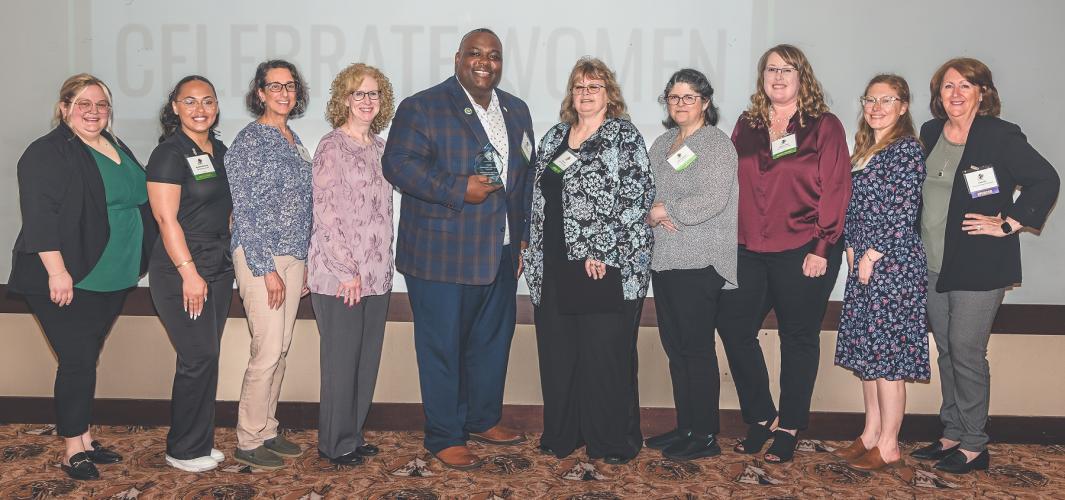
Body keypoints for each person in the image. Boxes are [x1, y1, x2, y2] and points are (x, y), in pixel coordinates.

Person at [381, 28, 535, 470]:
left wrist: (521, 235)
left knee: (491, 342)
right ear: (457, 58)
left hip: (501, 253)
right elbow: (398, 165)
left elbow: (523, 176)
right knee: (442, 347)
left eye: (494, 56)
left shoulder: (517, 110)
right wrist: (456, 188)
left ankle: (484, 418)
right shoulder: (423, 106)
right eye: (475, 53)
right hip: (441, 254)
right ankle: (445, 435)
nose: (484, 62)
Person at [910, 58, 1059, 474]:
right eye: (947, 87)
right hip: (933, 264)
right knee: (945, 350)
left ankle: (975, 444)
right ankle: (953, 431)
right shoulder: (930, 132)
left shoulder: (1000, 136)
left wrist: (1009, 222)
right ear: (938, 96)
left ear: (983, 92)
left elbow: (1046, 179)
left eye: (965, 86)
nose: (955, 93)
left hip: (979, 265)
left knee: (967, 352)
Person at [8, 74, 157, 480]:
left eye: (101, 105)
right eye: (83, 104)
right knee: (76, 361)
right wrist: (58, 272)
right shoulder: (46, 153)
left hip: (113, 274)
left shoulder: (113, 144)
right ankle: (72, 448)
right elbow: (40, 218)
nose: (93, 112)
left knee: (86, 358)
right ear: (64, 108)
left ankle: (86, 438)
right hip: (67, 277)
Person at [717, 44, 851, 464]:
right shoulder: (747, 124)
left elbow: (836, 187)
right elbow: (732, 183)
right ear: (762, 78)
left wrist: (823, 246)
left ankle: (790, 426)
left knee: (798, 338)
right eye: (771, 69)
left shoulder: (823, 126)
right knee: (735, 329)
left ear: (802, 77)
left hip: (803, 249)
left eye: (787, 69)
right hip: (748, 248)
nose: (778, 76)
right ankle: (761, 417)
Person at [523, 57, 654, 465]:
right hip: (555, 266)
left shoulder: (623, 137)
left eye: (594, 86)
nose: (585, 93)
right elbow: (536, 192)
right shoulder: (554, 137)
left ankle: (611, 440)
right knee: (560, 354)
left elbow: (637, 198)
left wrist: (602, 250)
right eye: (579, 86)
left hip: (602, 266)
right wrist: (529, 241)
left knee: (604, 356)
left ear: (609, 94)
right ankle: (564, 434)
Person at [833, 74, 928, 471]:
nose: (875, 107)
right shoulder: (866, 150)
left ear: (903, 106)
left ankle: (889, 444)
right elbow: (854, 209)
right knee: (869, 357)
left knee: (887, 360)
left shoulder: (906, 150)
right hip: (864, 264)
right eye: (870, 100)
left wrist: (872, 254)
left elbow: (903, 210)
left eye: (886, 100)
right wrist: (852, 250)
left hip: (893, 266)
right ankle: (870, 433)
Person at [643, 68, 737, 461]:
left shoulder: (716, 145)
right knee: (676, 349)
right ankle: (686, 426)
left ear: (705, 103)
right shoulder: (663, 142)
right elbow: (644, 190)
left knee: (696, 350)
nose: (680, 104)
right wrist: (651, 209)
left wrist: (668, 210)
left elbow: (712, 199)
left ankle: (705, 436)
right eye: (674, 97)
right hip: (665, 261)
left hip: (700, 261)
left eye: (689, 97)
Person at [227, 59, 313, 470]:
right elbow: (244, 209)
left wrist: (305, 261)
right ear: (259, 92)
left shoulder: (292, 138)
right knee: (266, 351)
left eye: (290, 86)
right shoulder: (250, 140)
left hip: (293, 257)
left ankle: (268, 430)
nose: (283, 93)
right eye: (274, 86)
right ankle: (248, 438)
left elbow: (303, 206)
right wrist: (266, 268)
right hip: (262, 257)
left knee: (280, 348)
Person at [308, 63, 396, 467]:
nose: (366, 101)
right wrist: (347, 271)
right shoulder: (331, 146)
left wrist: (375, 270)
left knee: (366, 360)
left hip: (377, 276)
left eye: (373, 94)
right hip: (341, 276)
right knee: (341, 364)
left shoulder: (382, 148)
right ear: (344, 99)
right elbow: (325, 214)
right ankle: (335, 442)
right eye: (359, 94)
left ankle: (354, 433)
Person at [147, 75, 232, 473]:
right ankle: (181, 449)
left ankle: (199, 442)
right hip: (181, 269)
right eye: (191, 101)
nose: (201, 109)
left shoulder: (218, 149)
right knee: (197, 356)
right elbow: (166, 220)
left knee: (207, 356)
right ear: (175, 107)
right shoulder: (169, 153)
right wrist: (189, 273)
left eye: (208, 101)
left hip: (216, 265)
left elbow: (224, 208)